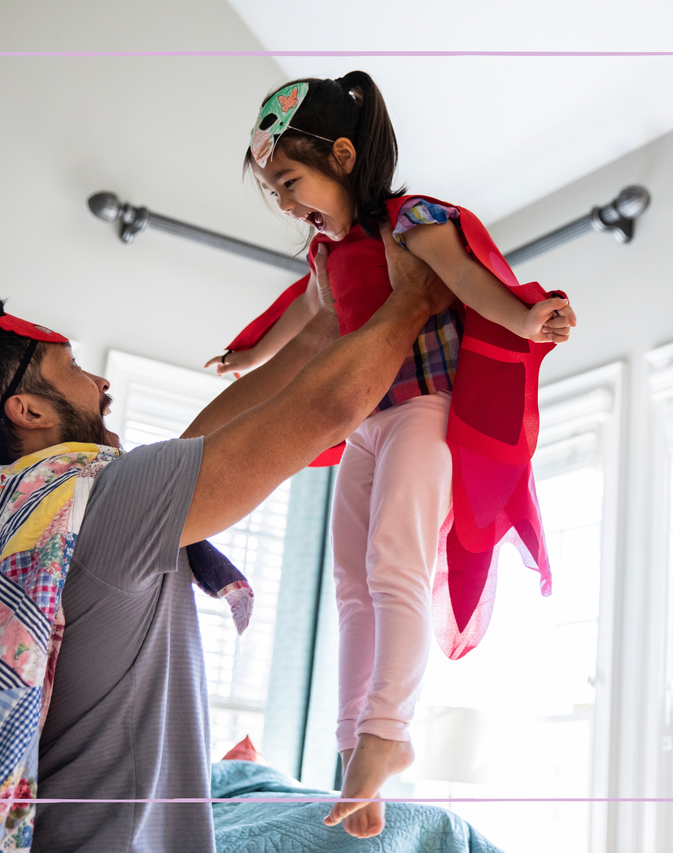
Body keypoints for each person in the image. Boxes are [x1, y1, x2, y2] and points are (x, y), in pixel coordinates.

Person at [0, 233, 456, 853]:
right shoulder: (101, 500)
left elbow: (212, 437)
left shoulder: (27, 520)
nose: (99, 383)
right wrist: (414, 298)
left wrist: (325, 316)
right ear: (29, 411)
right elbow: (330, 407)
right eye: (71, 368)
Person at [218, 72, 577, 838]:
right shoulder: (327, 252)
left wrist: (529, 313)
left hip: (424, 407)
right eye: (275, 190)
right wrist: (247, 358)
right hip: (367, 421)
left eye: (290, 181)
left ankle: (389, 728)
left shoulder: (409, 222)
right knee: (350, 582)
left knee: (396, 564)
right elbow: (303, 316)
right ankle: (355, 748)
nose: (285, 202)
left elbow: (471, 281)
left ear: (343, 155)